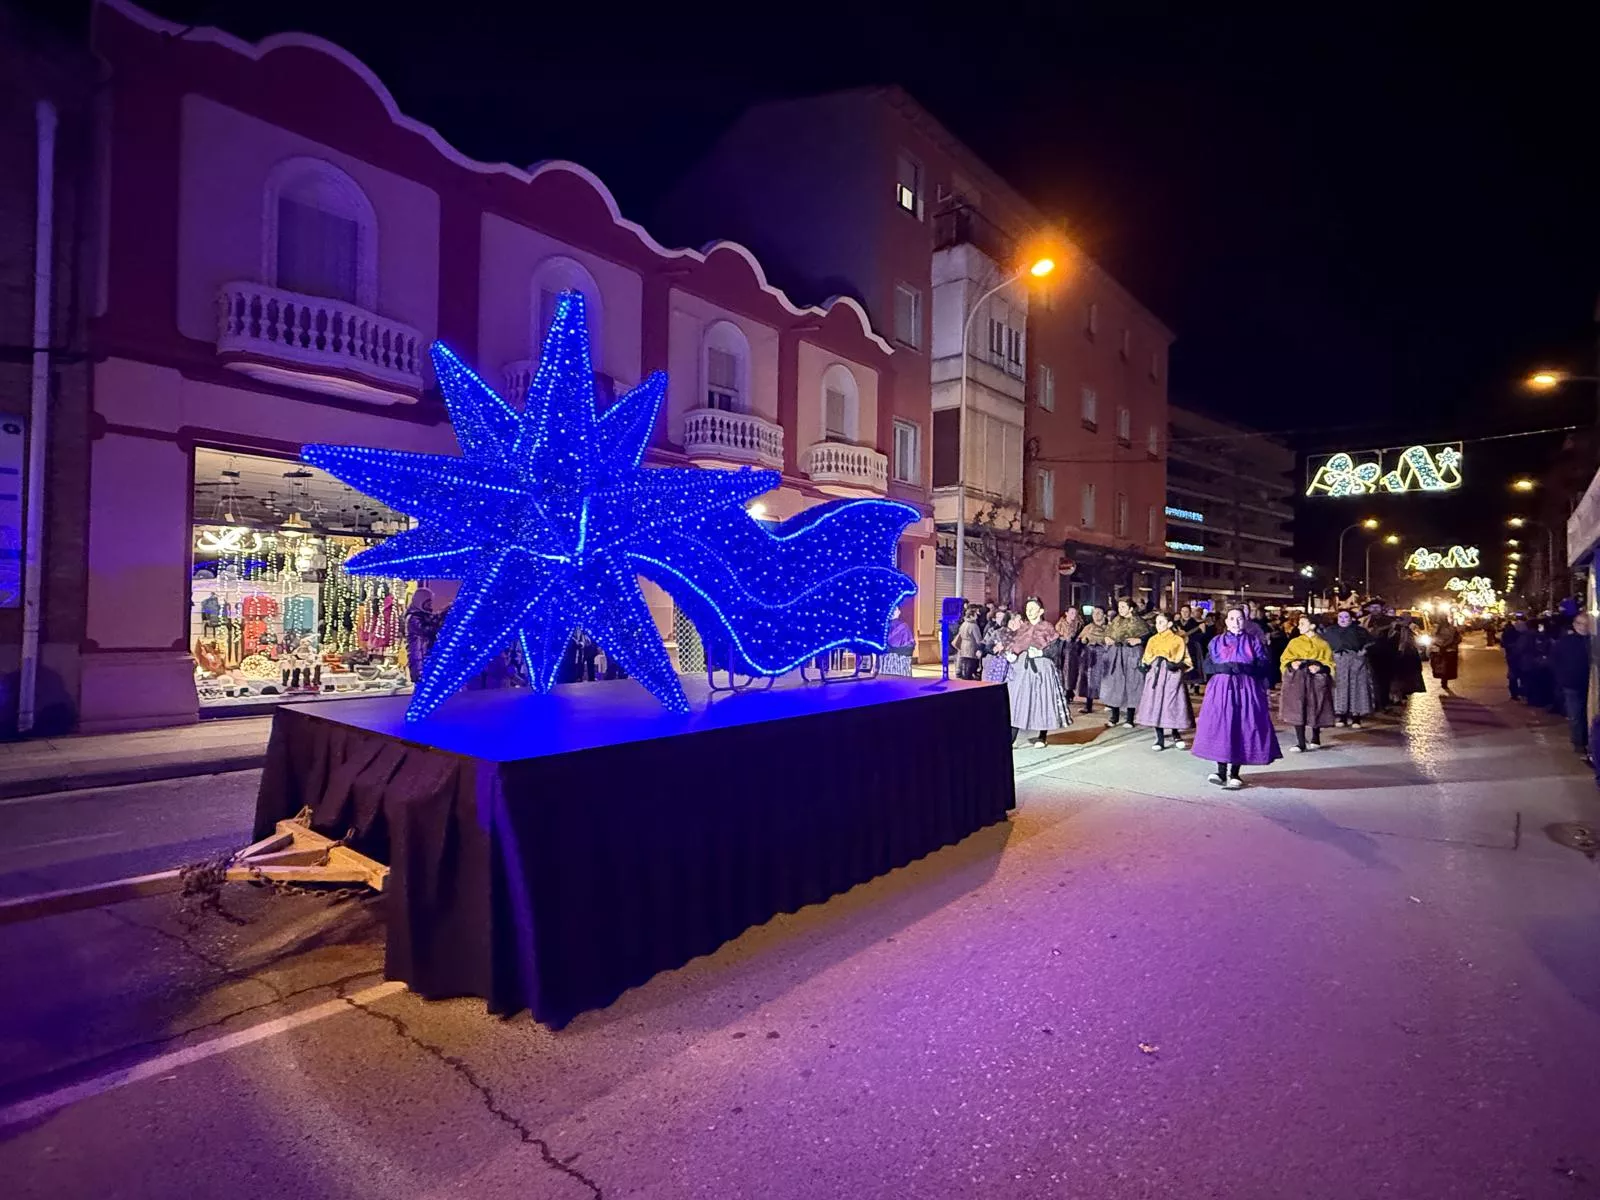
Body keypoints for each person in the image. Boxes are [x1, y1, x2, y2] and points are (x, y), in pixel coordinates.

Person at [1192, 606, 1282, 788]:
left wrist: (1245, 669)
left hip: (1246, 688)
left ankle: (1235, 773)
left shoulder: (1254, 641)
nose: (1236, 622)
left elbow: (1264, 665)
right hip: (1221, 688)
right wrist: (1222, 668)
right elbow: (1207, 665)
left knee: (1242, 726)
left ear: (1245, 621)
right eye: (1232, 619)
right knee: (1221, 726)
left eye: (1239, 618)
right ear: (1226, 622)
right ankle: (1220, 770)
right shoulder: (1216, 641)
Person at [1003, 596, 1072, 746]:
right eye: (1028, 609)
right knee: (1016, 701)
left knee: (1042, 700)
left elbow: (1056, 648)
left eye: (1033, 609)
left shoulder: (1047, 627)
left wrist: (1042, 653)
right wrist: (1012, 655)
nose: (1029, 611)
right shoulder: (1023, 628)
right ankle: (1011, 737)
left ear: (1041, 610)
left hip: (1041, 667)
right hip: (1021, 668)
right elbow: (1015, 645)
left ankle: (1042, 736)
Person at [1136, 610, 1194, 750]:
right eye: (1156, 622)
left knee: (1172, 704)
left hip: (1171, 674)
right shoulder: (1153, 639)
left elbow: (1186, 660)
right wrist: (1144, 665)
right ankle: (1159, 738)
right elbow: (1146, 657)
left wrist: (1177, 665)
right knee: (1155, 705)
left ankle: (1176, 734)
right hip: (1155, 674)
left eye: (1161, 622)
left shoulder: (1177, 640)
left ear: (1169, 624)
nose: (1158, 625)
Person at [1279, 614, 1336, 752]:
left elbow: (1330, 663)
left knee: (1316, 705)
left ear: (1312, 626)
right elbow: (1284, 659)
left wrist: (1321, 668)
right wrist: (1292, 664)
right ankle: (1300, 742)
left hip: (1316, 679)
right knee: (1298, 707)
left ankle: (1316, 737)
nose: (1299, 626)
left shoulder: (1323, 644)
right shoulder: (1294, 642)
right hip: (1298, 678)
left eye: (1303, 623)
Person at [1099, 598, 1152, 727]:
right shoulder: (1116, 621)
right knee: (1115, 684)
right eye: (1119, 607)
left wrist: (1139, 640)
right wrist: (1106, 638)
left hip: (1131, 654)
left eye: (1123, 607)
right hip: (1116, 654)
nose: (1120, 610)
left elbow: (1149, 636)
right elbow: (1107, 633)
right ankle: (1114, 717)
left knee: (1132, 683)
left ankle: (1129, 718)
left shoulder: (1139, 622)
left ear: (1131, 608)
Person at [1322, 609, 1375, 727]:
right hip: (1338, 661)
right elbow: (1324, 644)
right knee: (1339, 687)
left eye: (1346, 617)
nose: (1343, 619)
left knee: (1357, 687)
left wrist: (1363, 651)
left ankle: (1356, 717)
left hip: (1356, 661)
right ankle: (1341, 716)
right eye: (1341, 617)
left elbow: (1371, 642)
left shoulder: (1359, 631)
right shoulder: (1331, 631)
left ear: (1351, 618)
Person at [1552, 613, 1592, 760]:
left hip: (1589, 683)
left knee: (1589, 715)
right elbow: (1555, 661)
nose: (1583, 627)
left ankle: (1590, 743)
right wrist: (1562, 679)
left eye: (1586, 624)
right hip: (1572, 685)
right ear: (1575, 625)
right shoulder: (1565, 642)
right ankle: (1579, 744)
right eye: (1580, 624)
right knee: (1576, 715)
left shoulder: (1592, 641)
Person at [1076, 606, 1113, 714]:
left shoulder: (1109, 628)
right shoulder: (1088, 627)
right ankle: (1088, 705)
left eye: (1099, 613)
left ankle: (1109, 703)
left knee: (1105, 679)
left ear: (1104, 615)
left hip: (1104, 655)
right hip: (1090, 656)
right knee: (1089, 680)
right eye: (1094, 613)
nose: (1096, 615)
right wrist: (1083, 641)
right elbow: (1080, 640)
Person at [1389, 617, 1426, 702]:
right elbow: (1391, 637)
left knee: (1406, 675)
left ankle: (1403, 692)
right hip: (1397, 654)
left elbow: (1416, 637)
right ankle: (1396, 694)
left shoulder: (1411, 629)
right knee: (1397, 676)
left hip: (1408, 654)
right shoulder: (1395, 628)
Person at [1055, 607, 1085, 705]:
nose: (1073, 615)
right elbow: (1056, 637)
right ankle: (1066, 691)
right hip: (1064, 650)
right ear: (1066, 613)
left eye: (1075, 613)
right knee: (1065, 671)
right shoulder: (1060, 625)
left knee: (1074, 672)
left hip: (1076, 651)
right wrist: (1063, 639)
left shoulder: (1079, 624)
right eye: (1071, 613)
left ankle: (1070, 690)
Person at [1430, 615, 1462, 694]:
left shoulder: (1452, 628)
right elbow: (1432, 638)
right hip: (1439, 650)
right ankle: (1443, 679)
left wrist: (1449, 645)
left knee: (1446, 667)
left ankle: (1444, 681)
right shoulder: (1436, 629)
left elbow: (1458, 638)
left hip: (1448, 650)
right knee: (1439, 667)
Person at [980, 607, 1013, 682]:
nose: (1000, 619)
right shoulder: (992, 630)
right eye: (998, 617)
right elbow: (985, 644)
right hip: (995, 662)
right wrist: (994, 649)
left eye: (1002, 617)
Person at [880, 606, 915, 675]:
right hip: (901, 663)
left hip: (886, 663)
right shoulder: (904, 627)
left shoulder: (883, 627)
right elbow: (909, 646)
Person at [953, 604, 985, 681]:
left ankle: (964, 678)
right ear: (971, 616)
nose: (976, 616)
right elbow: (978, 639)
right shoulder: (973, 626)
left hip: (963, 646)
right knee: (970, 668)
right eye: (975, 615)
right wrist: (982, 645)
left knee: (964, 666)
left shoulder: (964, 624)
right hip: (971, 647)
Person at [1502, 615, 1529, 700]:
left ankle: (1515, 693)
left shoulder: (1510, 631)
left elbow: (1503, 643)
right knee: (1521, 674)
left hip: (1512, 656)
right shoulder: (1524, 632)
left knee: (1514, 675)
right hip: (1519, 656)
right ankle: (1521, 692)